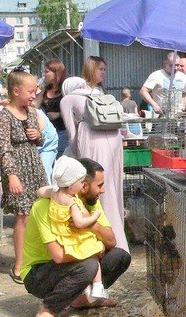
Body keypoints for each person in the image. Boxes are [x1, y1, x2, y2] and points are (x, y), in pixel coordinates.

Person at [21, 158, 131, 317]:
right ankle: (47, 310)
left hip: (73, 261)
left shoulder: (88, 203)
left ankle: (81, 300)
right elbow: (58, 256)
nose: (103, 190)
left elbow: (111, 242)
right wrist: (93, 249)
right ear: (83, 185)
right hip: (39, 273)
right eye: (100, 185)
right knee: (89, 265)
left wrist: (91, 225)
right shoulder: (45, 206)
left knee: (120, 257)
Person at [61, 72, 129, 254]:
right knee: (112, 190)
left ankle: (97, 241)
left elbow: (71, 134)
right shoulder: (101, 95)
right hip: (114, 142)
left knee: (90, 191)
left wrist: (76, 156)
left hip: (90, 142)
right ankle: (118, 239)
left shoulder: (67, 99)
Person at [0, 70, 48, 283]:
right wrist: (12, 176)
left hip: (34, 165)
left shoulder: (31, 112)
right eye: (31, 91)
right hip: (17, 168)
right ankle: (19, 265)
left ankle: (38, 259)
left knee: (39, 210)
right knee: (23, 215)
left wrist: (38, 136)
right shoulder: (5, 116)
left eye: (35, 91)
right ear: (16, 91)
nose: (34, 95)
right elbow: (4, 147)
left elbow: (40, 141)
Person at [37, 156, 108, 301]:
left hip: (61, 236)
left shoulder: (54, 195)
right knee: (93, 252)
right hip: (73, 236)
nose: (83, 186)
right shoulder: (72, 202)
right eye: (81, 182)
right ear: (71, 185)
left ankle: (85, 290)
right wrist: (94, 217)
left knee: (83, 263)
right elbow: (80, 223)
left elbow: (40, 191)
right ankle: (97, 286)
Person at [35, 59, 68, 157]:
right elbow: (35, 106)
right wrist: (38, 89)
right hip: (47, 132)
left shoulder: (65, 90)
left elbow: (74, 111)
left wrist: (59, 114)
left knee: (60, 159)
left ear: (56, 72)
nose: (44, 74)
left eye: (47, 72)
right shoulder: (45, 90)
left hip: (62, 132)